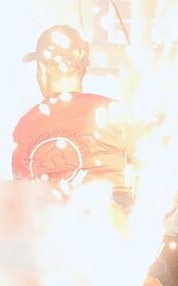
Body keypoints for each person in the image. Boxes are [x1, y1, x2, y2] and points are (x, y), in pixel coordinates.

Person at [11, 25, 132, 197]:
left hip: (45, 214)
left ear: (42, 68)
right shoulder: (114, 113)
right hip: (112, 211)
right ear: (83, 69)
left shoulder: (25, 126)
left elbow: (18, 196)